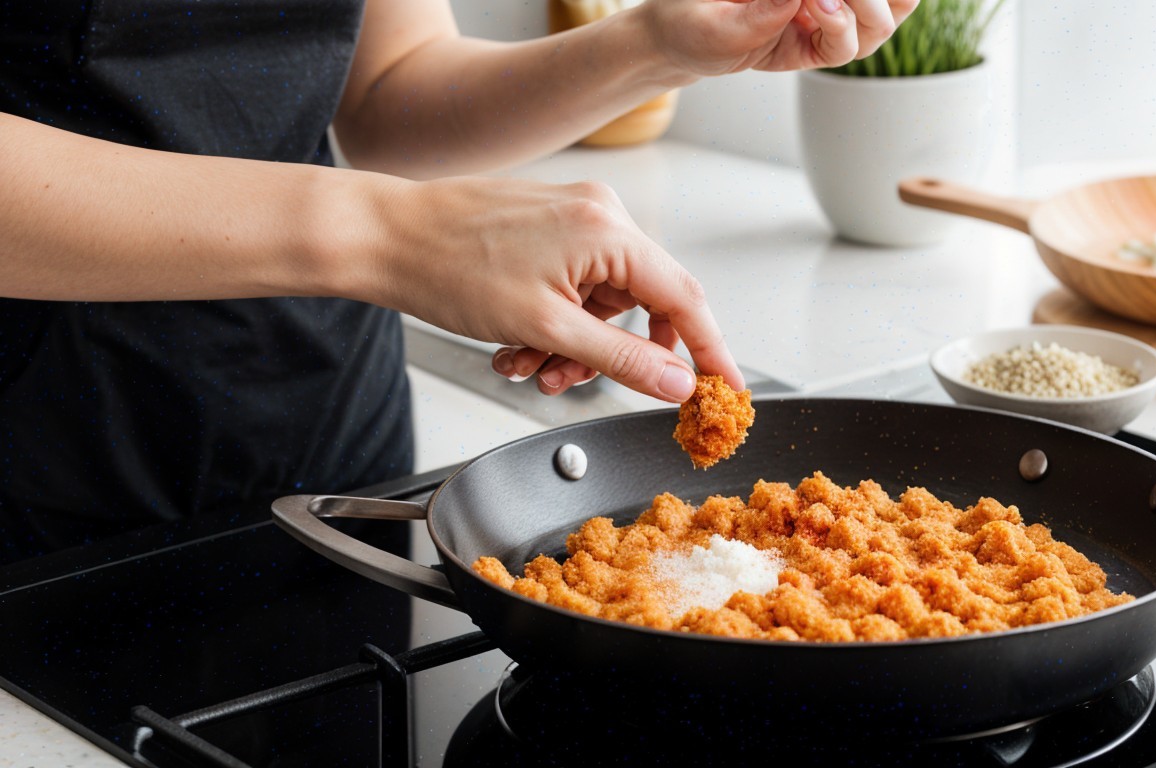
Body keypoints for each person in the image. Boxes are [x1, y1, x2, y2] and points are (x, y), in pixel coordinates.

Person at [0, 0, 915, 563]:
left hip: (327, 441)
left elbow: (389, 96)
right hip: (35, 456)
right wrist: (392, 235)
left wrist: (658, 43)